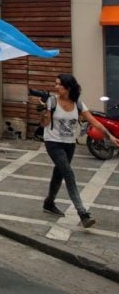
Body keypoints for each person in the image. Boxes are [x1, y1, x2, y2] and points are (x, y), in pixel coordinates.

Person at [41, 74, 118, 227]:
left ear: (68, 87)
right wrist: (44, 112)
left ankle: (49, 203)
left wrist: (110, 136)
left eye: (59, 85)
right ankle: (82, 213)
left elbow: (94, 122)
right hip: (53, 143)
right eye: (55, 84)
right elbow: (44, 124)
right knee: (68, 174)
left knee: (59, 173)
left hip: (69, 144)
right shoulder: (52, 101)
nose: (56, 87)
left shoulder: (78, 104)